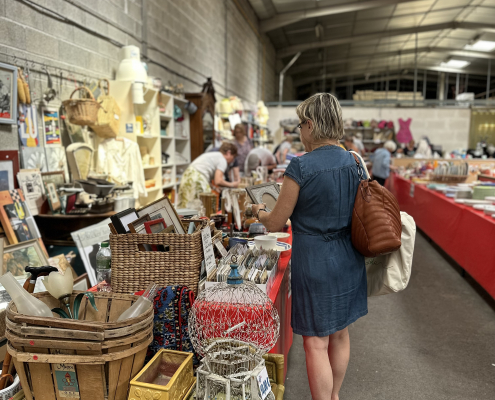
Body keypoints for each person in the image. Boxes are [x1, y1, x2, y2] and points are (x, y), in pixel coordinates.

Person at [252, 93, 367, 400]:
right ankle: (335, 395)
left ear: (311, 125)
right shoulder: (353, 160)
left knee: (316, 342)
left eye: (301, 124)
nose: (299, 131)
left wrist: (258, 211)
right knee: (340, 333)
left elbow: (276, 223)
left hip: (315, 260)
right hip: (349, 257)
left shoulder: (300, 167)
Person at [178, 142, 239, 208]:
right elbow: (218, 181)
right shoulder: (222, 160)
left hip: (188, 175)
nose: (232, 161)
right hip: (196, 178)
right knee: (203, 205)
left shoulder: (215, 155)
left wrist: (214, 187)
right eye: (233, 157)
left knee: (186, 204)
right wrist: (233, 185)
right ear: (228, 153)